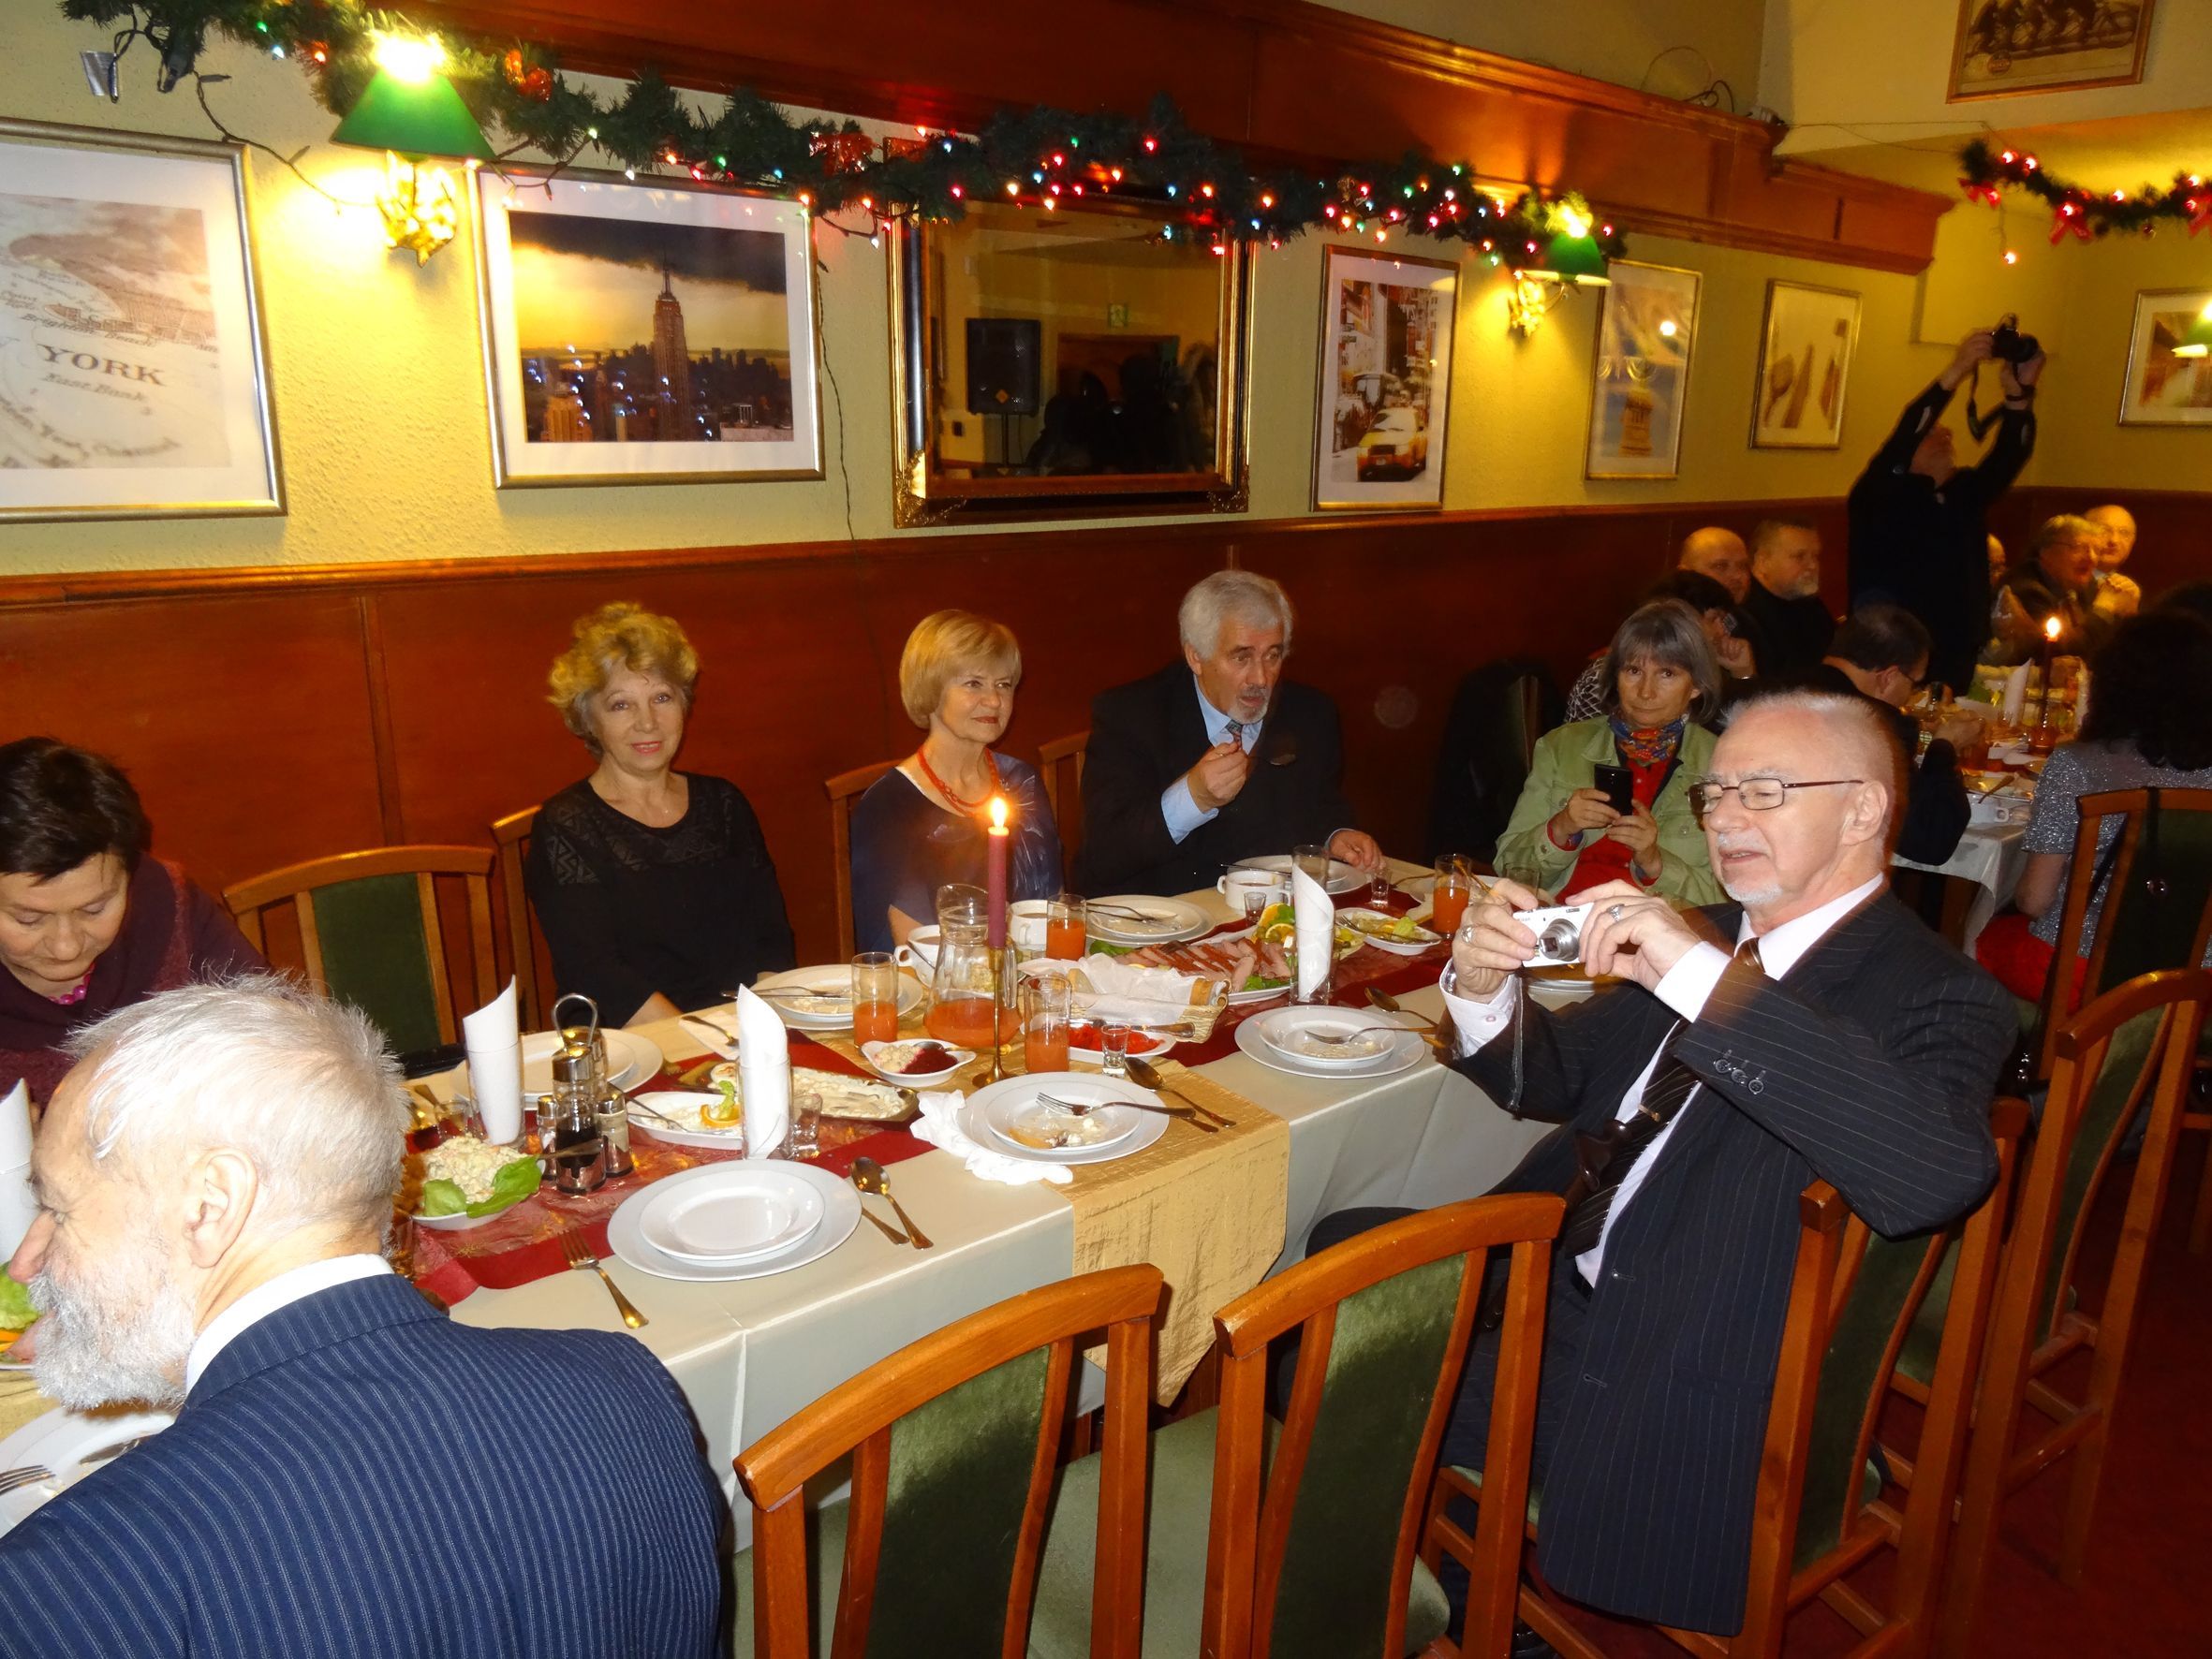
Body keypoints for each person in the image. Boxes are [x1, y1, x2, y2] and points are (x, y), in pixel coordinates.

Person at [1314, 692, 2012, 1637]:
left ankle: (1484, 1612)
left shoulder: (1938, 993)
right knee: (1334, 1247)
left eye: (1764, 791)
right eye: (1716, 793)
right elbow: (1558, 1076)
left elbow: (1937, 1172)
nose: (1723, 818)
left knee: (1322, 1353)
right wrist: (1479, 988)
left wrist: (1702, 980)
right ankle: (1456, 1561)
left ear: (1863, 810)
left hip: (1665, 1357)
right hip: (1552, 1256)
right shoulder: (1711, 929)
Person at [0, 976, 723, 1656]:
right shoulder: (623, 1382)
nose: (29, 1261)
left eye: (57, 1209)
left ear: (210, 1205)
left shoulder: (69, 1582)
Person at [526, 602, 793, 1026]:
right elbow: (598, 975)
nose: (647, 722)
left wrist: (762, 1030)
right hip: (635, 1046)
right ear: (588, 718)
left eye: (662, 698)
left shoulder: (724, 803)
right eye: (621, 705)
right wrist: (702, 1040)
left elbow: (772, 941)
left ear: (684, 705)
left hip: (741, 1034)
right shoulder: (565, 825)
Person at [1074, 571, 1381, 896]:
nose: (1261, 678)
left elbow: (1321, 804)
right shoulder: (1132, 715)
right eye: (1242, 657)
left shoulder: (1311, 714)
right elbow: (1105, 853)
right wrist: (1193, 797)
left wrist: (1336, 835)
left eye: (1272, 655)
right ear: (1196, 657)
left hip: (1269, 913)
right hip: (1161, 913)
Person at [0, 739, 263, 1104]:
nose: (66, 947)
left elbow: (271, 1039)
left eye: (94, 910)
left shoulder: (165, 905)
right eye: (29, 919)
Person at [1973, 609, 2212, 1004]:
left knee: (1982, 934)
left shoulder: (2077, 765)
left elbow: (2034, 901)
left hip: (2083, 972)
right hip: (2191, 982)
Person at [851, 609, 1063, 951]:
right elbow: (913, 952)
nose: (994, 700)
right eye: (974, 683)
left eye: (1003, 684)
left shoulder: (1021, 782)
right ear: (931, 689)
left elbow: (1051, 912)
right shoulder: (889, 806)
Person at [1848, 329, 2041, 692]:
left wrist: (2020, 393)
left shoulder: (1962, 493)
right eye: (1933, 434)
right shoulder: (1877, 494)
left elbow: (2011, 455)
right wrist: (1958, 370)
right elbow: (1908, 429)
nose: (1947, 436)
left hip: (1959, 647)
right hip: (1897, 650)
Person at [1497, 602, 1725, 907]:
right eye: (1634, 671)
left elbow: (1733, 900)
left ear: (1696, 686)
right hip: (1560, 920)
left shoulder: (1722, 764)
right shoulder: (1562, 747)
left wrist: (1655, 862)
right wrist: (1562, 828)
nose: (1645, 691)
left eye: (1667, 674)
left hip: (1654, 929)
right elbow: (1509, 869)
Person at [1767, 604, 1971, 866]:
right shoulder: (1877, 725)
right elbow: (1930, 838)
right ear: (1889, 677)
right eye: (1915, 683)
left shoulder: (1776, 689)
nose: (1911, 695)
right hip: (1812, 870)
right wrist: (1944, 747)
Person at [1562, 570, 1751, 722]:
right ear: (1684, 621)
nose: (1722, 631)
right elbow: (1589, 746)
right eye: (1714, 619)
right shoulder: (1602, 675)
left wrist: (1743, 673)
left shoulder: (1701, 669)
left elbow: (1738, 732)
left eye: (1667, 674)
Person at [1988, 515, 2103, 662]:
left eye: (2096, 550)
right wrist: (2104, 611)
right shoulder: (2026, 590)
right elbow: (2058, 652)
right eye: (2079, 547)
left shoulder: (2082, 586)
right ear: (2045, 550)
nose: (2092, 558)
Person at [1736, 519, 1836, 677]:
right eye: (1799, 556)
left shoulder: (1812, 606)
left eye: (1815, 556)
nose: (1813, 566)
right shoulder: (1743, 614)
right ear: (1763, 561)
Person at [2083, 503, 2142, 624]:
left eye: (2124, 532)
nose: (2114, 540)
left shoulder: (2129, 590)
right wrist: (2103, 608)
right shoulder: (2067, 583)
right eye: (2104, 530)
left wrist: (2132, 615)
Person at [1676, 525, 1750, 606]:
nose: (1737, 576)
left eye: (1742, 566)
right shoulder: (1671, 613)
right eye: (1720, 566)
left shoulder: (1748, 613)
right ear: (1686, 574)